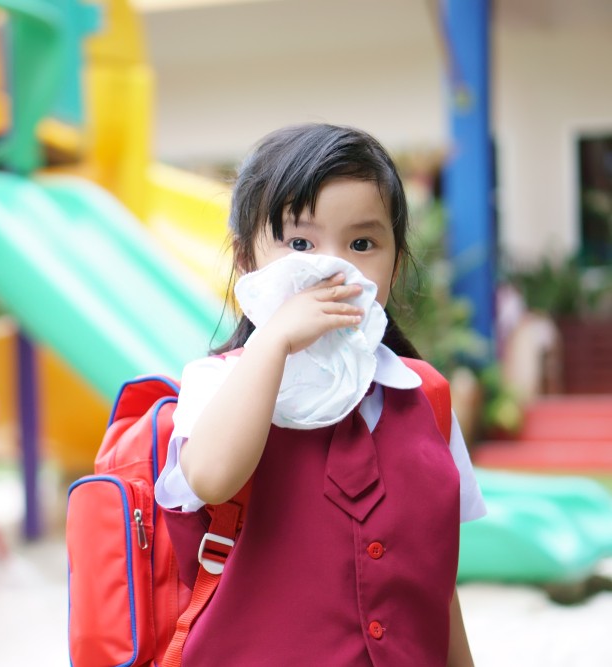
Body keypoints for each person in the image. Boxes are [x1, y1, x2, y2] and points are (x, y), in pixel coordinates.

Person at [154, 123, 485, 666]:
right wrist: (277, 339)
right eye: (300, 243)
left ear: (395, 262)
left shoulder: (425, 395)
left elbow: (435, 580)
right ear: (247, 261)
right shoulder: (218, 383)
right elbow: (212, 477)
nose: (332, 267)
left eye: (362, 244)